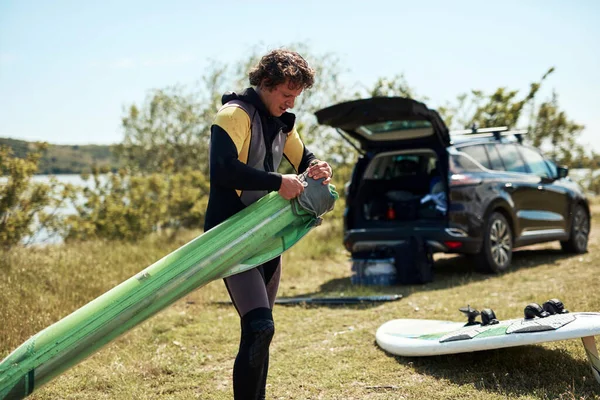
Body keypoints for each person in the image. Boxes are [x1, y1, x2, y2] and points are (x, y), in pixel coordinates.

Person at [204, 49, 333, 400]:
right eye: (286, 94)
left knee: (264, 331)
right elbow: (223, 170)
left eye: (296, 96)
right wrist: (279, 182)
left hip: (266, 236)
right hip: (230, 234)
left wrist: (319, 166)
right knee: (259, 326)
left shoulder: (281, 123)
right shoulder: (234, 114)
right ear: (266, 83)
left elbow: (304, 158)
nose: (291, 103)